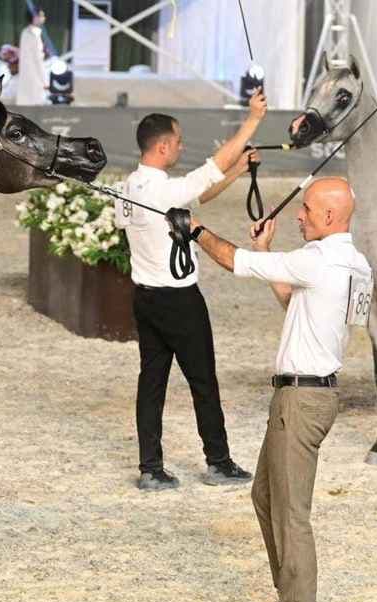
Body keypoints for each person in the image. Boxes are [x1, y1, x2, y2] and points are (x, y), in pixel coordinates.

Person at [187, 177, 371, 602]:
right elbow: (300, 305)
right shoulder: (355, 265)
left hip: (302, 400)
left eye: (306, 209)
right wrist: (272, 252)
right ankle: (292, 600)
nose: (299, 215)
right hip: (307, 397)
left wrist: (195, 230)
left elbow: (235, 261)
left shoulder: (318, 259)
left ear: (330, 217)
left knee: (290, 513)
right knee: (266, 497)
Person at [114, 90, 268, 491]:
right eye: (179, 142)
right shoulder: (163, 190)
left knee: (152, 383)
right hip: (180, 301)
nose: (182, 147)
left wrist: (237, 172)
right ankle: (218, 462)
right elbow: (209, 170)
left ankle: (151, 467)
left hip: (145, 298)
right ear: (163, 146)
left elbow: (197, 191)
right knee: (203, 382)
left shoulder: (128, 187)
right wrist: (252, 120)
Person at [17, 6, 49, 105]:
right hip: (35, 78)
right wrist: (45, 81)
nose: (44, 18)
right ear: (35, 17)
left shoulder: (25, 32)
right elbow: (37, 59)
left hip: (26, 76)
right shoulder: (34, 34)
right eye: (42, 16)